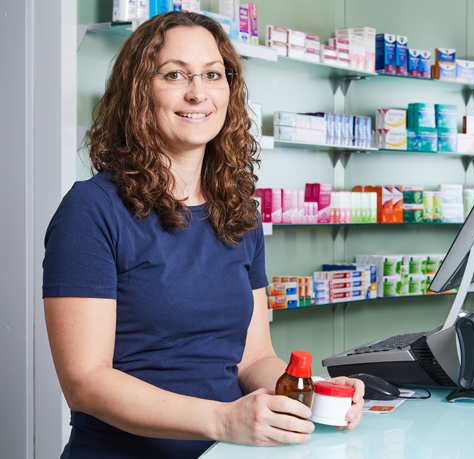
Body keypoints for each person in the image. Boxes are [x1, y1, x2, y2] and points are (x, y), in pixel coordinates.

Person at [43, 11, 364, 459]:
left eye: (213, 74)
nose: (198, 92)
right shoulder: (92, 210)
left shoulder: (239, 211)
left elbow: (254, 359)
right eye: (174, 74)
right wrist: (222, 418)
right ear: (138, 92)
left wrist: (313, 393)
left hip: (226, 452)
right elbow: (84, 382)